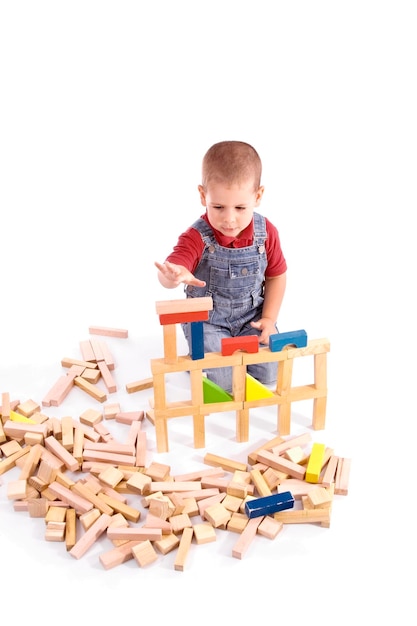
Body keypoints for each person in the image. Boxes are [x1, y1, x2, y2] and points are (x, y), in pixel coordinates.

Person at [155, 140, 287, 393]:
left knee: (270, 371)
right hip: (208, 321)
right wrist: (173, 277)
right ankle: (203, 355)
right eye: (218, 207)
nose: (229, 218)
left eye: (240, 207)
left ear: (257, 196)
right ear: (203, 195)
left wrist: (269, 319)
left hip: (251, 317)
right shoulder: (197, 236)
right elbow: (175, 266)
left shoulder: (266, 232)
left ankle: (233, 347)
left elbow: (277, 276)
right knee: (226, 381)